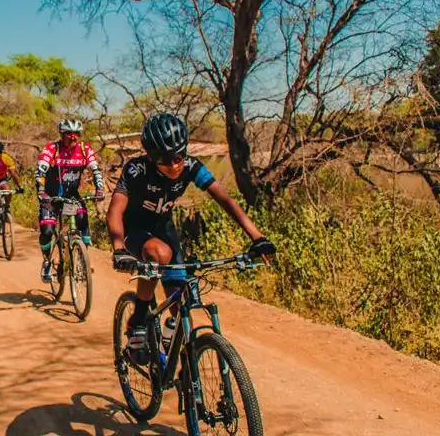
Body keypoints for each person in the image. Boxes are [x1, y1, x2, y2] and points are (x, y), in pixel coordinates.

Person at [108, 113, 277, 366]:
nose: (175, 165)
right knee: (159, 254)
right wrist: (119, 248)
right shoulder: (136, 169)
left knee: (180, 298)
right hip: (134, 228)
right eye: (165, 161)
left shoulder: (191, 166)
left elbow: (225, 200)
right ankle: (138, 322)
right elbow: (115, 211)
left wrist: (257, 237)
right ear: (151, 158)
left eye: (179, 156)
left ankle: (169, 339)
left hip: (163, 226)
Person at [34, 118, 106, 283]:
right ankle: (46, 261)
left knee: (82, 219)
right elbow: (41, 170)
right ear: (61, 134)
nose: (73, 137)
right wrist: (41, 190)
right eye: (68, 134)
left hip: (71, 195)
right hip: (51, 196)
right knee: (47, 231)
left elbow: (96, 170)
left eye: (76, 134)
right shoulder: (53, 148)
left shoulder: (84, 148)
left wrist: (100, 189)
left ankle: (82, 258)